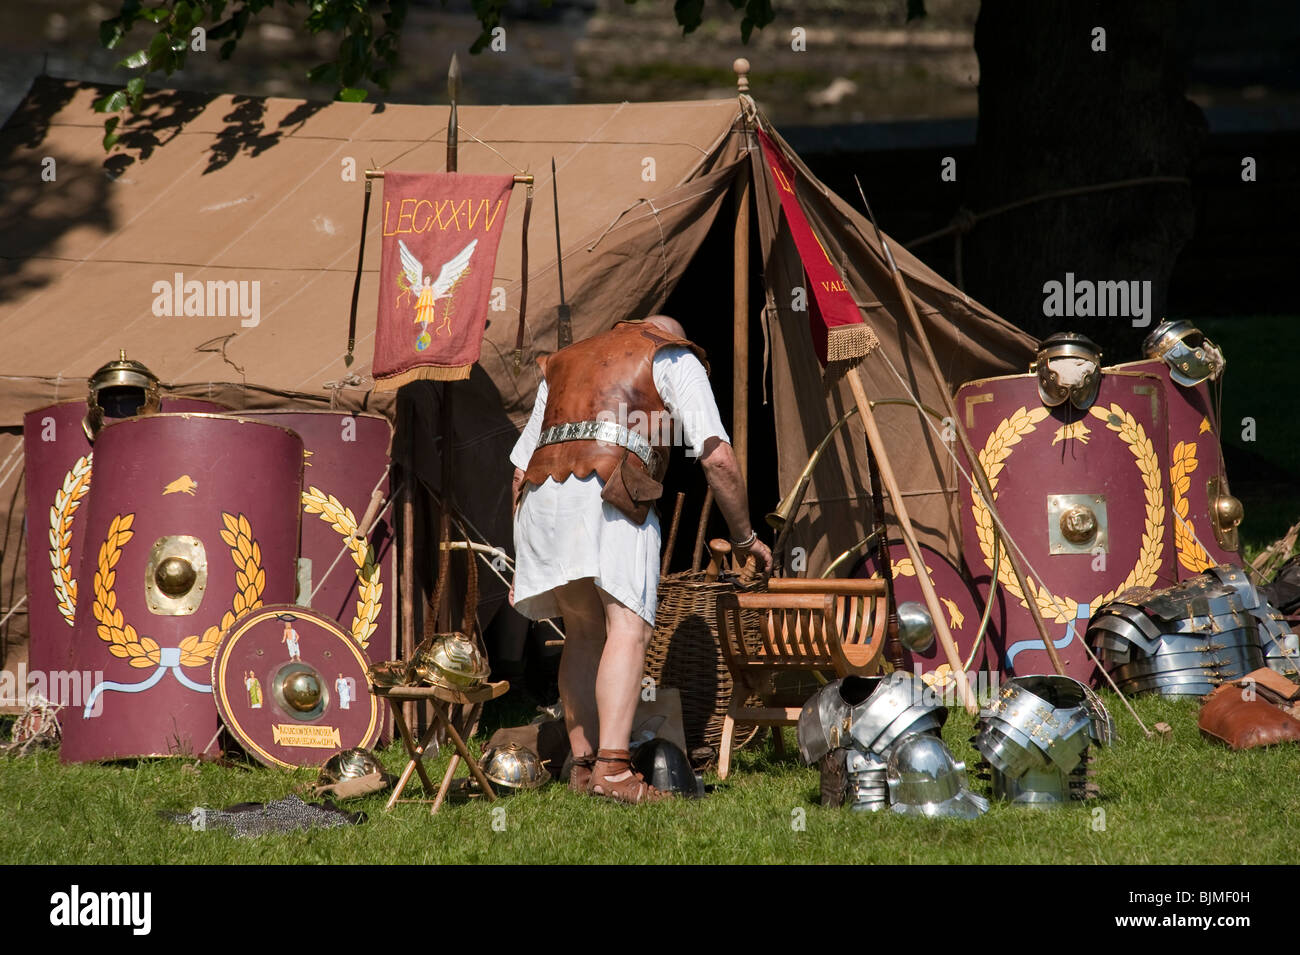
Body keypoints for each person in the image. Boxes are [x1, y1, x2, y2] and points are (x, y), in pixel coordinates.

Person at [510, 316, 771, 804]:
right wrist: (744, 537)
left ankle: (583, 766)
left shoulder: (567, 360)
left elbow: (520, 470)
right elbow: (716, 456)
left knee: (584, 629)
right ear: (671, 334)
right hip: (611, 490)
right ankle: (613, 771)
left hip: (543, 499)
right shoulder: (671, 353)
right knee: (629, 627)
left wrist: (522, 550)